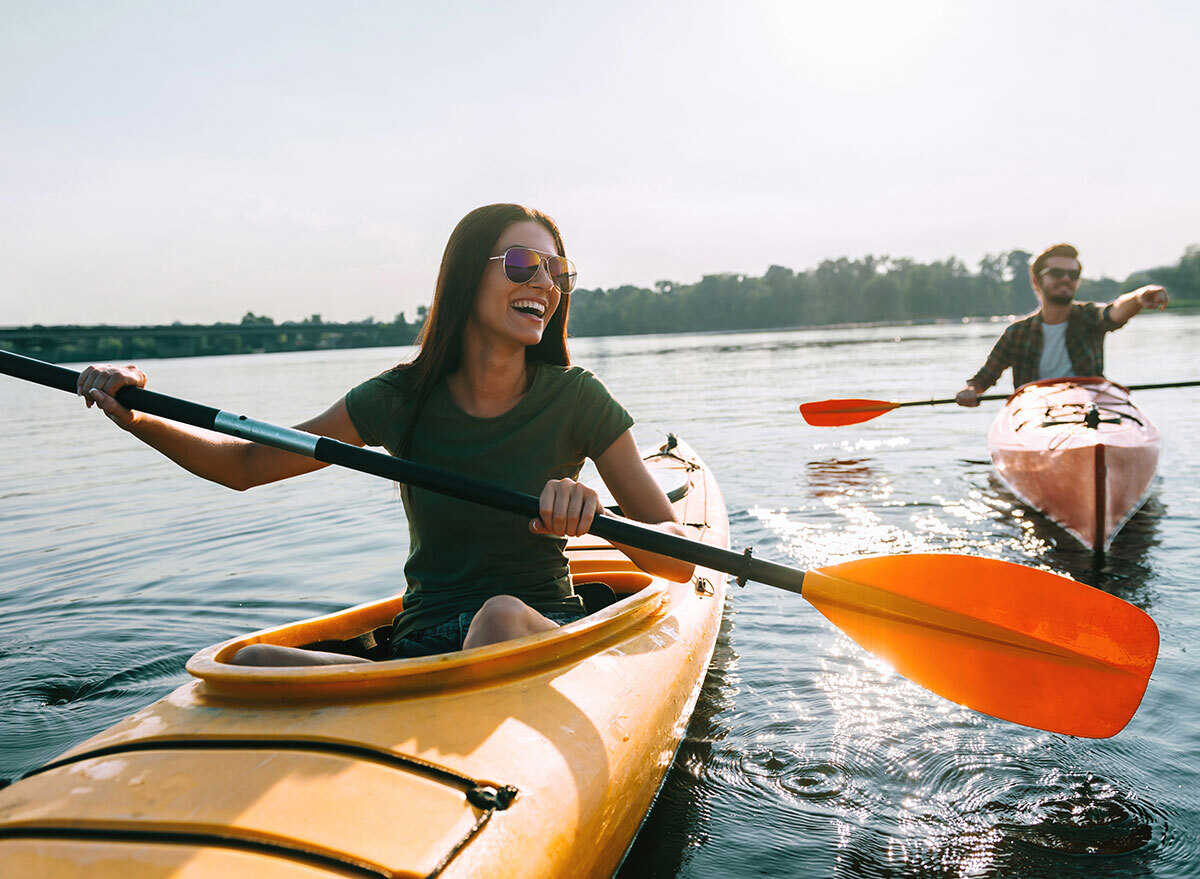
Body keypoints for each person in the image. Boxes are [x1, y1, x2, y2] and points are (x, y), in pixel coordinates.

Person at [75, 203, 695, 666]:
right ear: (464, 276)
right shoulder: (401, 397)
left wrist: (591, 516)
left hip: (532, 628)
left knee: (499, 616)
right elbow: (244, 464)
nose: (545, 283)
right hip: (421, 643)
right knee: (245, 660)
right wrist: (137, 415)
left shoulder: (577, 397)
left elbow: (675, 559)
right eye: (522, 263)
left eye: (557, 270)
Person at [955, 242, 1169, 406]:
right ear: (1036, 281)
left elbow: (1114, 312)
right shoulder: (1016, 333)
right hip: (1035, 413)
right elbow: (982, 380)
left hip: (1090, 408)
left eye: (1073, 274)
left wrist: (1139, 297)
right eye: (1057, 273)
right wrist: (970, 390)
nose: (1066, 278)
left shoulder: (1089, 317)